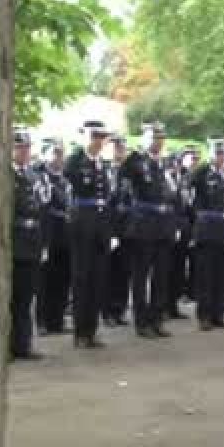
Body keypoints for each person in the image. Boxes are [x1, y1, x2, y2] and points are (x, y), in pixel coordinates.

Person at [118, 123, 176, 339]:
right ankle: (142, 322)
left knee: (161, 275)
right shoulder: (135, 161)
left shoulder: (166, 163)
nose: (157, 142)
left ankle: (157, 318)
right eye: (153, 138)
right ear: (143, 139)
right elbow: (122, 189)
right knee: (141, 276)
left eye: (160, 138)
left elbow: (173, 192)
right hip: (143, 224)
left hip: (163, 225)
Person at [64, 121, 115, 349]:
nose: (98, 141)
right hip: (82, 225)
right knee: (81, 279)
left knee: (98, 279)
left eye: (101, 137)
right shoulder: (76, 160)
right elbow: (68, 173)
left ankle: (91, 330)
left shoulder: (102, 165)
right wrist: (81, 147)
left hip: (100, 226)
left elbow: (107, 198)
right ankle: (80, 332)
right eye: (95, 136)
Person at [191, 138, 224, 331]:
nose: (220, 156)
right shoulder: (203, 172)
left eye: (222, 153)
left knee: (222, 275)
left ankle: (218, 314)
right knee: (206, 275)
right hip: (208, 229)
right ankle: (204, 315)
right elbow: (189, 190)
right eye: (217, 153)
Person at [10, 130, 45, 361]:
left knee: (26, 298)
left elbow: (40, 209)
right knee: (12, 299)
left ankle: (23, 344)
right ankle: (12, 345)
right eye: (20, 147)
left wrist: (43, 244)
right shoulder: (6, 174)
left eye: (27, 148)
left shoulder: (33, 175)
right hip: (14, 240)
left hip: (32, 241)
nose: (24, 152)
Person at [35, 138, 72, 336]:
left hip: (65, 235)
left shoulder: (65, 180)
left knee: (62, 279)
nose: (59, 157)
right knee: (45, 279)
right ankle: (42, 320)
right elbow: (43, 207)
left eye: (60, 153)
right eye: (55, 153)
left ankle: (57, 320)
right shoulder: (42, 178)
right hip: (48, 233)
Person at [103, 135, 132, 327]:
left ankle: (119, 308)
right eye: (116, 148)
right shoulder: (103, 171)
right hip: (109, 225)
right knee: (108, 271)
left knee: (124, 270)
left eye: (122, 148)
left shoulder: (128, 173)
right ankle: (107, 311)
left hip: (127, 226)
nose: (119, 151)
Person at [164, 146, 196, 321]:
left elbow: (188, 206)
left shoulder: (183, 181)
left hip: (183, 228)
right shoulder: (164, 180)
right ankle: (163, 306)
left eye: (177, 163)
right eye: (173, 163)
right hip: (169, 227)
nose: (176, 167)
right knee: (167, 269)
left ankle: (172, 305)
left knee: (178, 269)